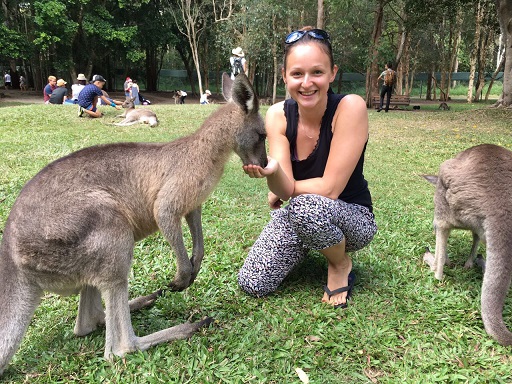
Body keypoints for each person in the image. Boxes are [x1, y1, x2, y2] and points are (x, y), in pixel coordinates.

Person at [238, 27, 377, 309]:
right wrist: (273, 174)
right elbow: (283, 185)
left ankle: (340, 263)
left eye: (317, 72)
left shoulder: (350, 107)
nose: (306, 83)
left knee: (303, 207)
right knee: (252, 282)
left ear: (333, 73)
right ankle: (308, 242)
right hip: (303, 211)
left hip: (353, 217)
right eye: (297, 74)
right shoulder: (278, 115)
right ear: (284, 75)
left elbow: (330, 188)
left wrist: (287, 190)